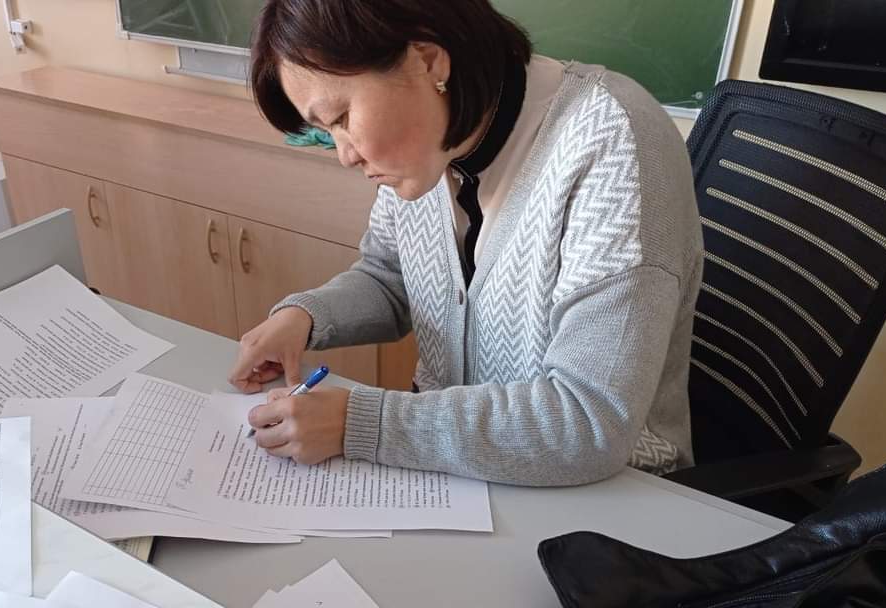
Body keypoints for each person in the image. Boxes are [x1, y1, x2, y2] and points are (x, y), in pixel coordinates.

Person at [228, 0, 702, 486]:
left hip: (614, 494)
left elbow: (589, 420)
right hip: (457, 470)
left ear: (428, 61)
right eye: (327, 131)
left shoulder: (613, 141)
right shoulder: (426, 145)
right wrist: (304, 318)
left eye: (342, 117)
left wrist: (361, 423)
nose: (345, 155)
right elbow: (390, 277)